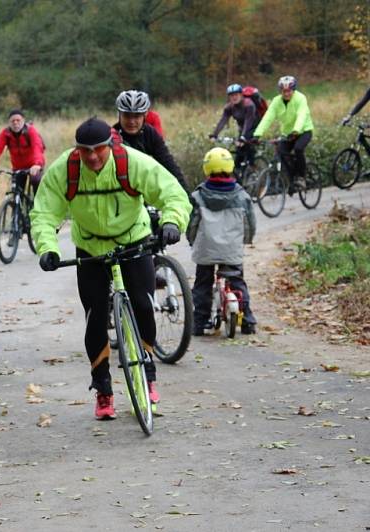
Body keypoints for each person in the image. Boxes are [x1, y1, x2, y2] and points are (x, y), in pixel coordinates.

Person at [30, 118, 191, 420]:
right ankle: (103, 388)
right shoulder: (67, 169)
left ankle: (149, 372)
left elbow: (172, 193)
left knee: (143, 304)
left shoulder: (131, 162)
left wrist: (172, 221)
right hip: (90, 247)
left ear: (111, 145)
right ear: (77, 149)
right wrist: (48, 248)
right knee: (95, 316)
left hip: (133, 240)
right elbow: (44, 212)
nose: (92, 157)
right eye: (85, 151)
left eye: (99, 150)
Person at [187, 148, 257, 336]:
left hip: (206, 249)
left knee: (202, 285)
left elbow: (193, 223)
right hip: (231, 249)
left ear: (206, 169)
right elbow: (250, 223)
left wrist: (191, 240)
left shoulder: (198, 196)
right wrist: (247, 240)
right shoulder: (242, 195)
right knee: (237, 281)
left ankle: (199, 323)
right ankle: (248, 321)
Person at [113, 90, 189, 192]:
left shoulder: (150, 134)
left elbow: (169, 164)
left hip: (145, 189)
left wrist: (187, 196)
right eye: (127, 115)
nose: (132, 121)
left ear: (145, 115)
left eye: (136, 116)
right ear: (119, 115)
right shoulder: (112, 137)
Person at [253, 75, 314, 191]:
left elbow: (302, 115)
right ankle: (291, 180)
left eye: (289, 91)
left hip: (304, 131)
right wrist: (257, 134)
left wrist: (296, 130)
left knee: (298, 149)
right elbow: (268, 118)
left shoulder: (300, 98)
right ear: (280, 91)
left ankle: (301, 177)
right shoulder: (276, 102)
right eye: (283, 91)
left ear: (293, 90)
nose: (286, 94)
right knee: (281, 152)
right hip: (287, 134)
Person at [0, 109, 46, 193]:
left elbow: (37, 147)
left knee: (36, 181)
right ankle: (17, 205)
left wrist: (37, 164)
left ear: (23, 121)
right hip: (18, 167)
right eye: (12, 121)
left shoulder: (30, 131)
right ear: (9, 123)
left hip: (34, 165)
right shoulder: (6, 134)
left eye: (18, 120)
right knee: (16, 191)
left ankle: (37, 203)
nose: (15, 123)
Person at [209, 83, 259, 171]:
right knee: (238, 156)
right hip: (242, 129)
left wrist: (243, 137)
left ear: (241, 95)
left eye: (236, 95)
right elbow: (223, 121)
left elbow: (248, 122)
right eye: (231, 96)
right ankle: (240, 173)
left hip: (254, 127)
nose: (234, 97)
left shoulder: (249, 105)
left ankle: (253, 168)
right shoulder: (229, 107)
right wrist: (214, 134)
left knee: (247, 145)